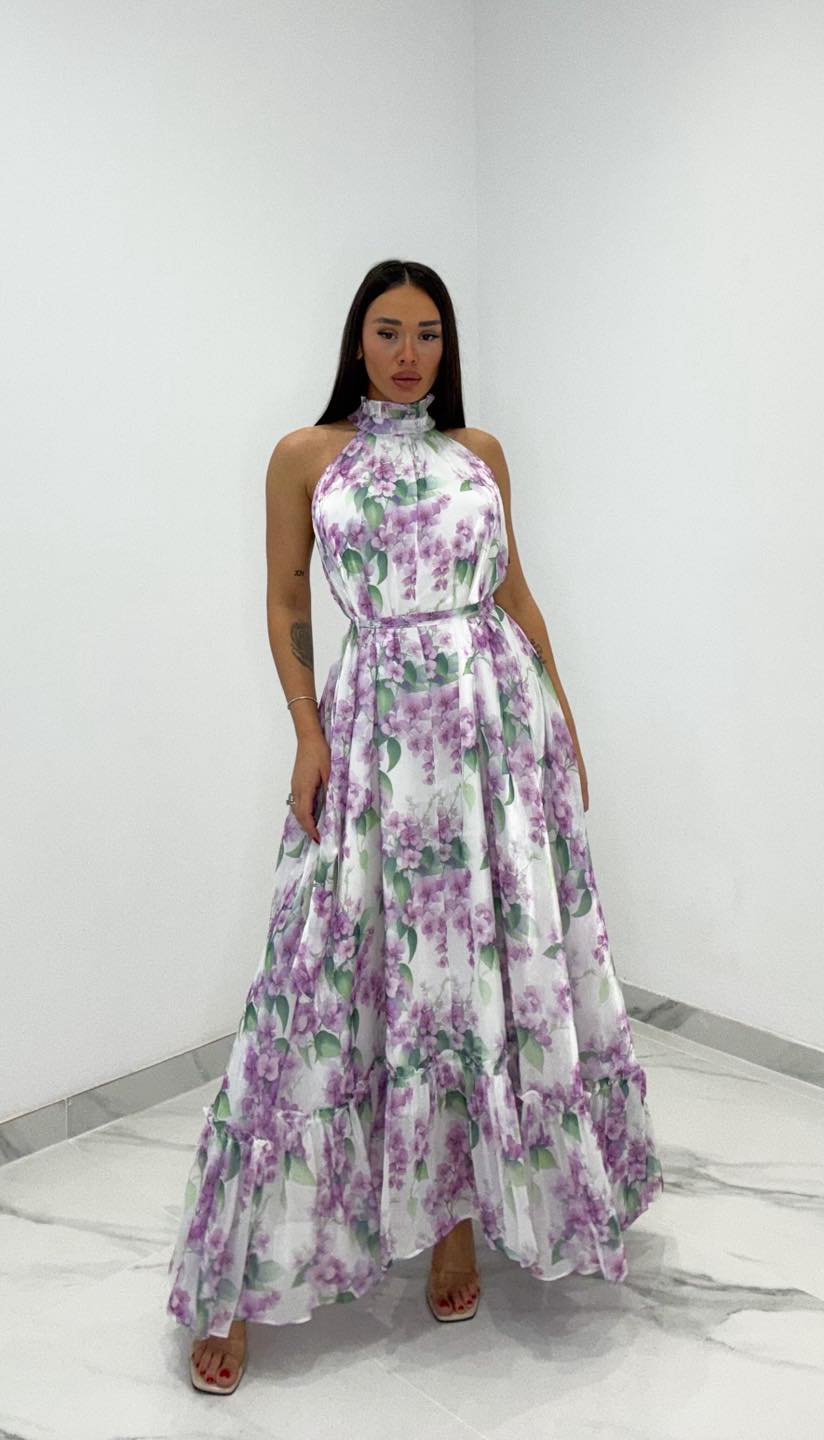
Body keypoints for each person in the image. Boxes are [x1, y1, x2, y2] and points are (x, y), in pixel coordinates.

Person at [166, 258, 665, 1394]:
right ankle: (243, 1273)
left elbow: (514, 592)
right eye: (387, 331)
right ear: (356, 338)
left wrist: (563, 713)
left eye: (428, 333)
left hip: (494, 729)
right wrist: (306, 731)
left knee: (480, 980)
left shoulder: (477, 452)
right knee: (319, 980)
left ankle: (455, 1227)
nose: (407, 353)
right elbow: (285, 596)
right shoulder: (307, 454)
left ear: (447, 345)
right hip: (376, 727)